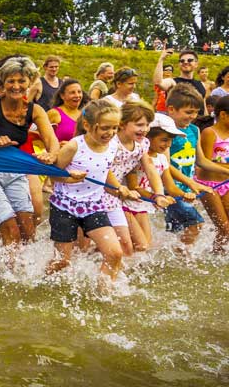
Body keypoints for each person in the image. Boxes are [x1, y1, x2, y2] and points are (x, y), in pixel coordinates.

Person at [0, 56, 59, 253]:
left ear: (30, 82)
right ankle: (7, 276)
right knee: (10, 227)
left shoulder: (35, 110)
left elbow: (51, 140)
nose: (16, 86)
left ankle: (23, 272)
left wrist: (52, 154)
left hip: (15, 171)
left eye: (21, 81)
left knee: (28, 229)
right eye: (10, 81)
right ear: (2, 82)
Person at [46, 100, 127, 285]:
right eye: (105, 128)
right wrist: (69, 177)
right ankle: (44, 285)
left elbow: (105, 171)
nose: (111, 133)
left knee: (115, 253)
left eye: (115, 128)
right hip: (64, 206)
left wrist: (119, 188)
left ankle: (104, 294)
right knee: (62, 262)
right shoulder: (75, 146)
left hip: (94, 206)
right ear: (87, 125)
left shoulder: (113, 145)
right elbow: (53, 175)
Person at [103, 101, 173, 257]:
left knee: (137, 246)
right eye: (140, 125)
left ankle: (118, 275)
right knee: (86, 246)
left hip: (116, 197)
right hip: (99, 193)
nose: (145, 129)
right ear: (121, 124)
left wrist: (159, 194)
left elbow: (150, 168)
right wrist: (120, 189)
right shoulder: (111, 143)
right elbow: (105, 169)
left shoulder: (142, 144)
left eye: (148, 124)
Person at [162, 84, 218, 248]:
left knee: (174, 231)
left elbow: (201, 161)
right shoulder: (165, 132)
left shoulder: (194, 130)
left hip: (187, 189)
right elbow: (163, 164)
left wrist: (225, 170)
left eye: (195, 112)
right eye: (188, 112)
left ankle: (171, 261)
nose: (193, 116)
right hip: (170, 188)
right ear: (171, 109)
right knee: (196, 224)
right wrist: (190, 183)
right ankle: (184, 258)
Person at [124, 115, 190, 251]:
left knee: (144, 247)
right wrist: (156, 197)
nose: (168, 145)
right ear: (147, 138)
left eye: (171, 140)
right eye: (164, 140)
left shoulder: (162, 159)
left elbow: (170, 186)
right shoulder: (137, 157)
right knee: (139, 246)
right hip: (125, 203)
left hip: (141, 206)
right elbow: (133, 187)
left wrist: (186, 195)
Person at [196, 96, 229, 252]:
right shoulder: (209, 133)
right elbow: (205, 163)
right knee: (224, 229)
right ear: (223, 115)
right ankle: (215, 257)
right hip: (209, 185)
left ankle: (219, 255)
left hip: (226, 184)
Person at [46, 78, 84, 144]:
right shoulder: (54, 113)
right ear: (62, 96)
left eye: (79, 92)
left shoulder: (84, 115)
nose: (77, 95)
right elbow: (37, 137)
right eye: (72, 92)